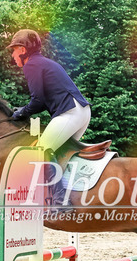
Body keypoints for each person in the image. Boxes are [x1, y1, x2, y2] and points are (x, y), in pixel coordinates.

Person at [8, 29, 91, 209]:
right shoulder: (43, 62)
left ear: (22, 50)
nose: (12, 55)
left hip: (70, 113)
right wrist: (23, 110)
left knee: (41, 151)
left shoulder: (31, 65)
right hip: (82, 112)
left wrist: (21, 113)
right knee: (60, 154)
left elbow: (37, 101)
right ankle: (72, 193)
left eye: (13, 50)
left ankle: (61, 201)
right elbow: (42, 101)